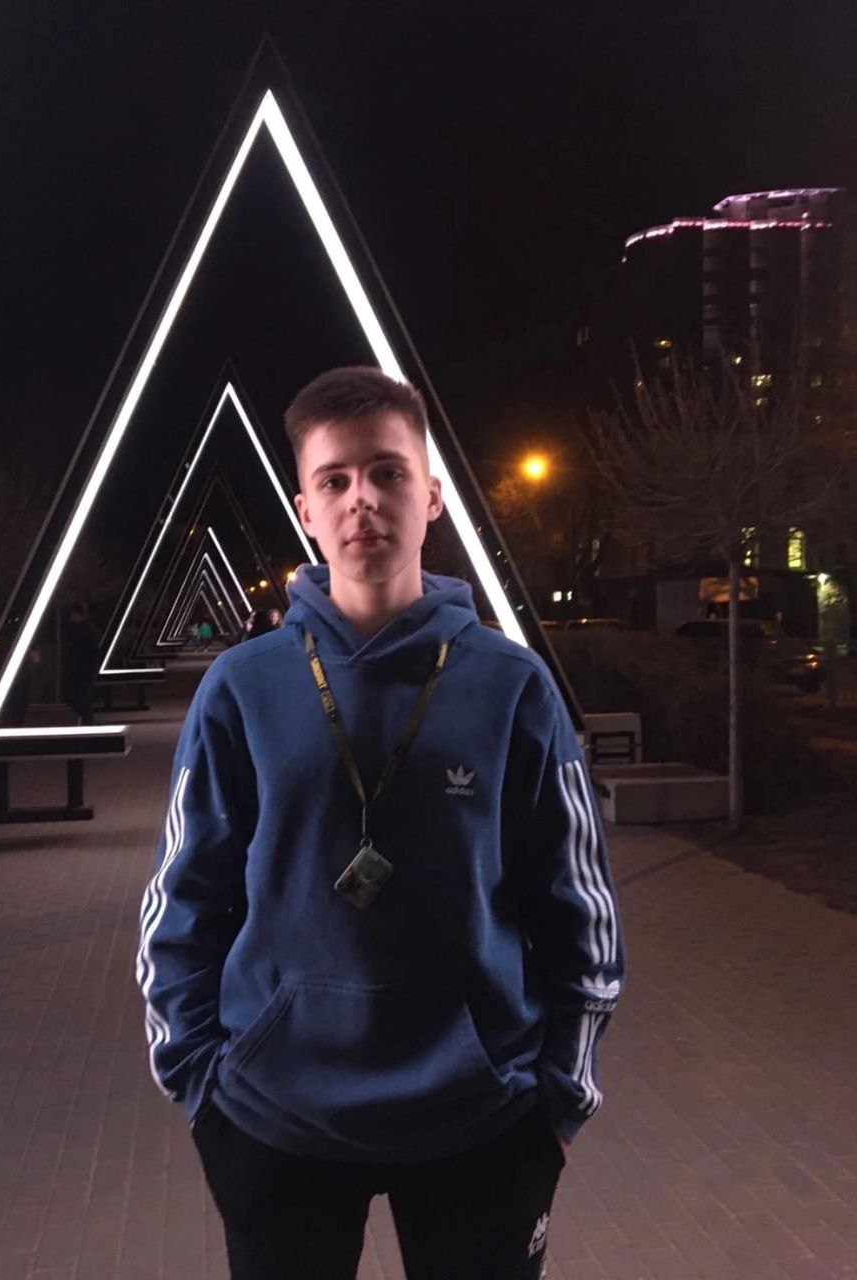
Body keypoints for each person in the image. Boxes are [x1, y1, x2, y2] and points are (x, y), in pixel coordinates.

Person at [137, 367, 624, 1280]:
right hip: (274, 1120)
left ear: (431, 496)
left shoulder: (512, 686)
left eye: (387, 472)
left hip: (482, 1120)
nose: (362, 498)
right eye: (335, 479)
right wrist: (199, 1085)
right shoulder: (241, 688)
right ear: (307, 511)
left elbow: (577, 907)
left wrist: (560, 1102)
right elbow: (184, 897)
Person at [61, 603, 99, 725]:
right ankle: (86, 719)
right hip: (84, 668)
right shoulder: (87, 629)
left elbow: (80, 650)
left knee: (79, 696)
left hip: (81, 669)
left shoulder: (81, 630)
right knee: (82, 696)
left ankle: (86, 719)